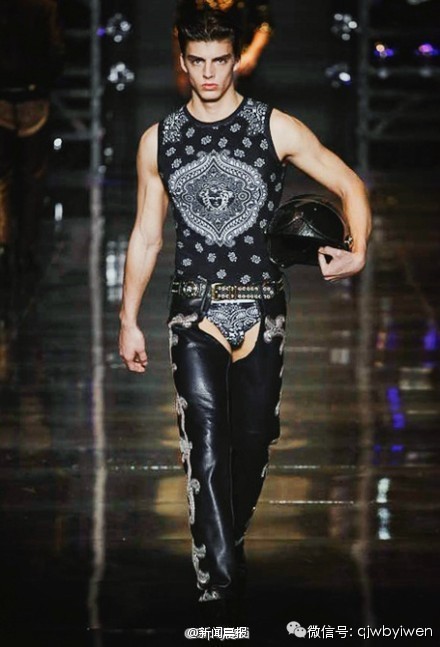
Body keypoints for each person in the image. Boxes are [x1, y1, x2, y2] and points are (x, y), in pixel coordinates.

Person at [119, 5, 371, 627]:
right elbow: (146, 236)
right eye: (197, 62)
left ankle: (224, 545)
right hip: (193, 311)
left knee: (253, 445)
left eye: (220, 61)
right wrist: (128, 318)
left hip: (263, 306)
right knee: (204, 448)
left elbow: (348, 182)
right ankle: (219, 590)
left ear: (237, 60)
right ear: (183, 62)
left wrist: (358, 250)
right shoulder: (160, 140)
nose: (209, 74)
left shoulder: (273, 128)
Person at [0, 0, 64, 287]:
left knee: (3, 177)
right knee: (32, 178)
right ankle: (25, 248)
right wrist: (45, 81)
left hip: (3, 94)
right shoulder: (44, 4)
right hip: (33, 95)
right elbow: (56, 49)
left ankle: (4, 243)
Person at [173, 0, 274, 96]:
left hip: (241, 58)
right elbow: (180, 28)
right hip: (201, 54)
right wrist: (181, 70)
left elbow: (264, 23)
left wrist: (252, 53)